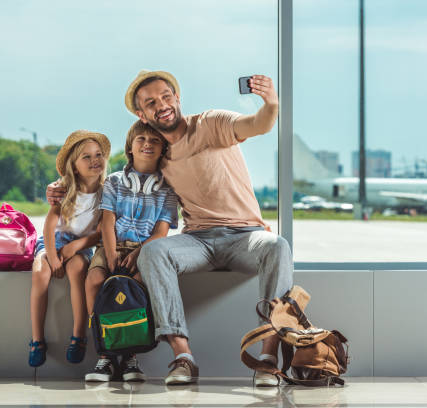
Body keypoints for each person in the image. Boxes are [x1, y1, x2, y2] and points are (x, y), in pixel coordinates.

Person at [48, 70, 293, 386]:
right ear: (143, 115)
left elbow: (258, 124)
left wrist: (271, 103)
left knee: (278, 245)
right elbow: (98, 181)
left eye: (166, 96)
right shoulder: (155, 154)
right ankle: (183, 356)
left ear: (177, 98)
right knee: (153, 250)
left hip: (245, 235)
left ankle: (267, 357)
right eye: (151, 102)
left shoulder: (211, 123)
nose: (161, 104)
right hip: (198, 239)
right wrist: (58, 188)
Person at [84, 120, 179, 382]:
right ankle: (104, 354)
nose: (147, 144)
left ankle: (130, 356)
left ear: (163, 149)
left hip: (145, 250)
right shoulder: (114, 181)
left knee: (136, 289)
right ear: (131, 147)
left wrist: (137, 256)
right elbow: (107, 221)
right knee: (94, 281)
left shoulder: (169, 190)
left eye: (154, 140)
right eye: (141, 139)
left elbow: (160, 233)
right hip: (111, 244)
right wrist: (112, 254)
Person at [29, 130, 110, 368]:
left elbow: (102, 232)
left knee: (77, 271)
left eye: (98, 155)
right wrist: (53, 257)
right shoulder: (64, 188)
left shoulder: (107, 192)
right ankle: (36, 339)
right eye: (86, 157)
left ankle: (78, 336)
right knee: (39, 272)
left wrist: (76, 246)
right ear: (74, 167)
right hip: (53, 241)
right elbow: (49, 225)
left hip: (82, 243)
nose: (94, 160)